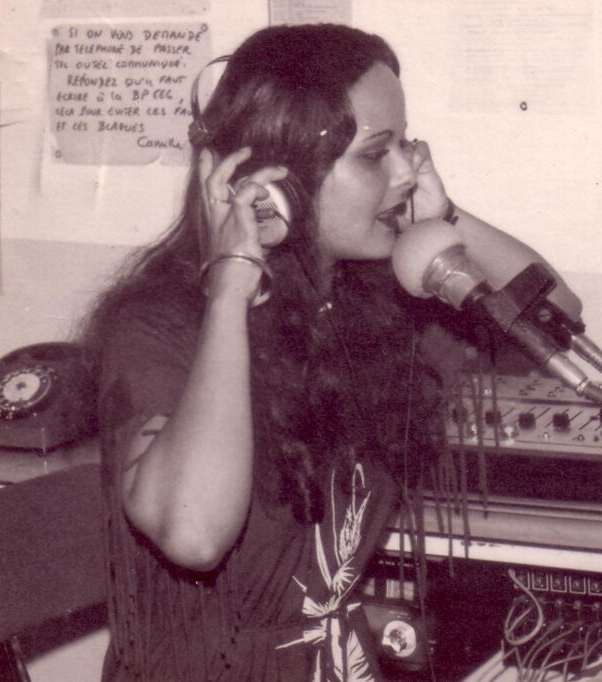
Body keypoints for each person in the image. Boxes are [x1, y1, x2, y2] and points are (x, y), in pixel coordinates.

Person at [80, 23, 576, 681]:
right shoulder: (157, 325)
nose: (408, 171)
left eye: (405, 146)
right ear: (272, 184)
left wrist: (445, 220)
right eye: (375, 154)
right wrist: (230, 291)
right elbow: (194, 535)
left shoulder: (363, 304)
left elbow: (554, 315)